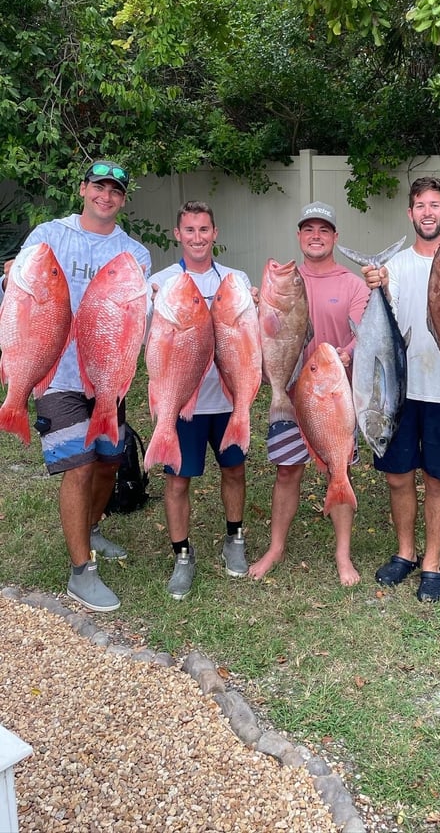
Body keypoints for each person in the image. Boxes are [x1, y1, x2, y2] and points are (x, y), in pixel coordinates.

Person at [1, 160, 152, 612]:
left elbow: (134, 321)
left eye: (115, 191)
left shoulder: (135, 254)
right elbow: (18, 298)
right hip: (58, 374)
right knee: (80, 467)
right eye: (99, 187)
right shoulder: (48, 235)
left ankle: (91, 528)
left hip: (107, 374)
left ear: (123, 199)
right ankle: (80, 571)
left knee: (109, 463)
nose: (106, 196)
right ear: (83, 189)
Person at [362, 177, 440, 603]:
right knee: (397, 475)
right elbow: (383, 322)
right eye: (420, 205)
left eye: (436, 205)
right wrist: (378, 284)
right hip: (399, 390)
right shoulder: (397, 267)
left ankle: (432, 562)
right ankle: (406, 552)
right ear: (410, 214)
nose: (428, 212)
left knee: (439, 478)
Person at [248, 201, 369, 586]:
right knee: (286, 471)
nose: (315, 236)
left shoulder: (352, 284)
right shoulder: (282, 281)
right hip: (288, 393)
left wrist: (348, 353)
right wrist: (252, 308)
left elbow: (362, 334)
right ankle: (276, 547)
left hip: (333, 398)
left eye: (324, 230)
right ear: (299, 236)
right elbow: (263, 334)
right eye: (308, 230)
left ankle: (343, 555)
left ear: (334, 237)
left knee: (340, 470)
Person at [150, 201, 257, 600]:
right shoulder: (161, 283)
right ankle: (182, 554)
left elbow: (255, 335)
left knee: (234, 471)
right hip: (180, 402)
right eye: (189, 230)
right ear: (177, 234)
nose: (197, 237)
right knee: (178, 479)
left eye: (204, 230)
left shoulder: (235, 280)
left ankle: (235, 537)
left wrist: (261, 304)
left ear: (215, 234)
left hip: (228, 399)